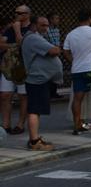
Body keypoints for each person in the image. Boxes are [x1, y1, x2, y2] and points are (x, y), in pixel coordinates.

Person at [21, 17, 62, 151]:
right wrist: (54, 49)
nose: (46, 28)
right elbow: (54, 50)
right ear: (34, 25)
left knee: (36, 110)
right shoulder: (34, 38)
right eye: (42, 25)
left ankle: (35, 138)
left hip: (39, 78)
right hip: (37, 79)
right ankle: (34, 141)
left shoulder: (35, 37)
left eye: (47, 25)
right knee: (34, 109)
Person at [1, 5, 30, 135]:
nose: (17, 15)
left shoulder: (30, 29)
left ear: (27, 14)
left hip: (24, 66)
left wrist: (17, 30)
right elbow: (0, 44)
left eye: (20, 13)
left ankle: (20, 124)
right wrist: (14, 45)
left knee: (23, 96)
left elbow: (24, 45)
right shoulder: (9, 29)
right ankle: (6, 124)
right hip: (9, 66)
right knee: (5, 95)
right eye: (16, 12)